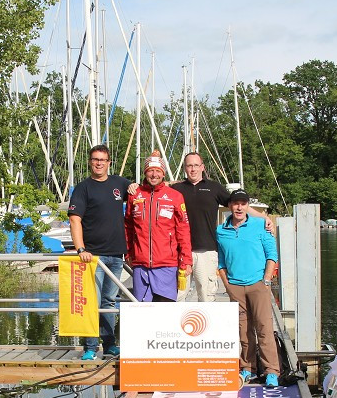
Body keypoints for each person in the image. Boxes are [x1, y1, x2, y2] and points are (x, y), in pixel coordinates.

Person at [171, 151, 273, 301]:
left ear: (202, 167)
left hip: (206, 251)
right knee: (177, 296)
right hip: (180, 251)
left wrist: (263, 217)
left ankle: (206, 325)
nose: (193, 169)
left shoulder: (214, 187)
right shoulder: (177, 189)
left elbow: (238, 205)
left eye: (196, 165)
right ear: (185, 168)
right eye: (189, 166)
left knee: (206, 296)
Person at [68, 144, 129, 360]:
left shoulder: (120, 184)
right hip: (93, 256)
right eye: (95, 159)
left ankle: (110, 343)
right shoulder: (83, 188)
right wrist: (80, 249)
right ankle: (91, 347)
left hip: (116, 255)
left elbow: (144, 191)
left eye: (103, 160)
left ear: (109, 162)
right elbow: (75, 219)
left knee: (109, 302)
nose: (99, 163)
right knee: (91, 302)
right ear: (90, 162)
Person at [216, 189, 280, 387]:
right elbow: (220, 262)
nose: (239, 207)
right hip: (235, 287)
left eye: (243, 203)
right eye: (235, 203)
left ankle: (271, 371)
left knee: (264, 328)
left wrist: (267, 280)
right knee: (243, 331)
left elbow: (272, 254)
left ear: (247, 206)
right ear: (229, 206)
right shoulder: (220, 231)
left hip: (258, 284)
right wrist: (227, 285)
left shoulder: (261, 225)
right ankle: (247, 369)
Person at [125, 150, 192, 301]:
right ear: (145, 173)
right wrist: (128, 253)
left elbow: (183, 230)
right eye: (150, 171)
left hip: (166, 265)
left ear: (163, 174)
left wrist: (186, 260)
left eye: (157, 171)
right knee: (142, 314)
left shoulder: (175, 196)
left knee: (165, 313)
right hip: (140, 265)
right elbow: (128, 227)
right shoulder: (135, 195)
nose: (154, 175)